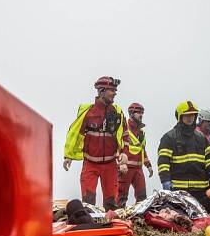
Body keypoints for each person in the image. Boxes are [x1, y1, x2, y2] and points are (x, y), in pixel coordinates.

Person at [63, 76, 129, 210]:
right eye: (111, 90)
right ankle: (90, 227)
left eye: (115, 90)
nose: (115, 93)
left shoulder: (117, 112)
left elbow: (125, 135)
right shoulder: (88, 112)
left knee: (112, 204)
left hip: (110, 165)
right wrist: (68, 155)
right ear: (101, 91)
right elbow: (75, 134)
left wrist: (124, 154)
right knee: (88, 203)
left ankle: (113, 229)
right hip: (90, 165)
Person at [157, 101, 210, 212]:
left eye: (192, 115)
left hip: (202, 190)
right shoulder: (169, 137)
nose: (190, 118)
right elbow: (163, 161)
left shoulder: (201, 137)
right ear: (180, 117)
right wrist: (165, 180)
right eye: (186, 115)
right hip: (179, 191)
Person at [117, 103, 153, 206]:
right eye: (138, 113)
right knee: (121, 196)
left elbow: (142, 150)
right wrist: (120, 164)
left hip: (138, 169)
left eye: (142, 113)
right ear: (131, 113)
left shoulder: (141, 132)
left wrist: (148, 165)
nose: (141, 115)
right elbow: (118, 147)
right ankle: (118, 219)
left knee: (142, 197)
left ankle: (139, 219)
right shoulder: (124, 129)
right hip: (126, 168)